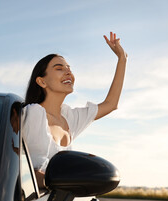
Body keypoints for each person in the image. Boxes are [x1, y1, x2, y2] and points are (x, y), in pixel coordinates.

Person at [22, 32, 127, 188]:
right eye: (59, 68)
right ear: (41, 81)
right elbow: (20, 168)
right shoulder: (33, 113)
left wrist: (122, 59)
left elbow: (111, 104)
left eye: (69, 68)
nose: (68, 72)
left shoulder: (69, 117)